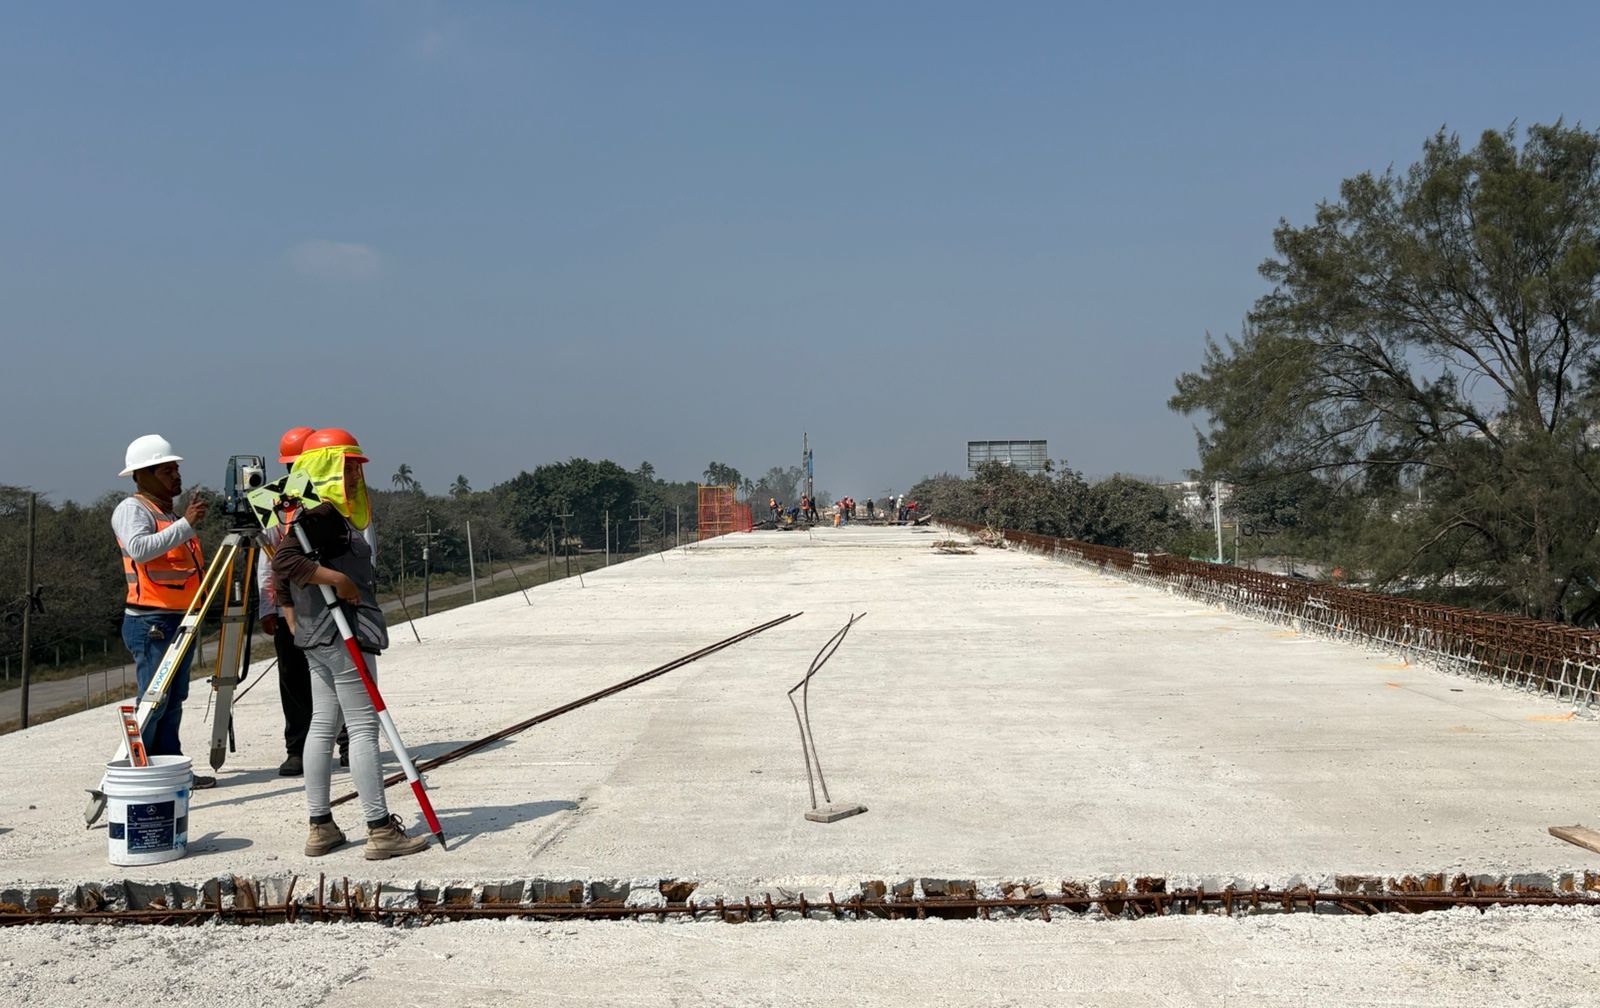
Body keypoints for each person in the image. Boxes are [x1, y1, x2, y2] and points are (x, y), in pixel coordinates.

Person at [271, 427, 429, 860]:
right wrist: (339, 580)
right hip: (339, 632)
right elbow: (285, 561)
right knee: (361, 728)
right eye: (349, 466)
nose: (357, 474)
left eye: (357, 467)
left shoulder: (309, 513)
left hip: (317, 634)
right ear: (326, 468)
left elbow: (285, 563)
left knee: (323, 724)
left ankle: (320, 826)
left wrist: (293, 612)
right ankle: (380, 829)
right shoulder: (323, 513)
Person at [111, 434, 215, 787]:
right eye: (167, 470)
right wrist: (185, 524)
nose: (176, 476)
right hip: (150, 621)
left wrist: (181, 522)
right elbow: (140, 549)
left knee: (174, 699)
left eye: (175, 469)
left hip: (178, 618)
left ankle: (171, 769)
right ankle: (142, 773)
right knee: (154, 700)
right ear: (142, 475)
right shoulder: (133, 510)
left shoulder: (167, 513)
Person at [257, 426, 347, 776]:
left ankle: (348, 742)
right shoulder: (275, 502)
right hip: (289, 607)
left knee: (341, 676)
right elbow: (268, 558)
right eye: (291, 465)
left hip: (329, 602)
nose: (295, 471)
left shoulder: (334, 496)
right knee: (293, 679)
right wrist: (269, 608)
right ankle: (298, 748)